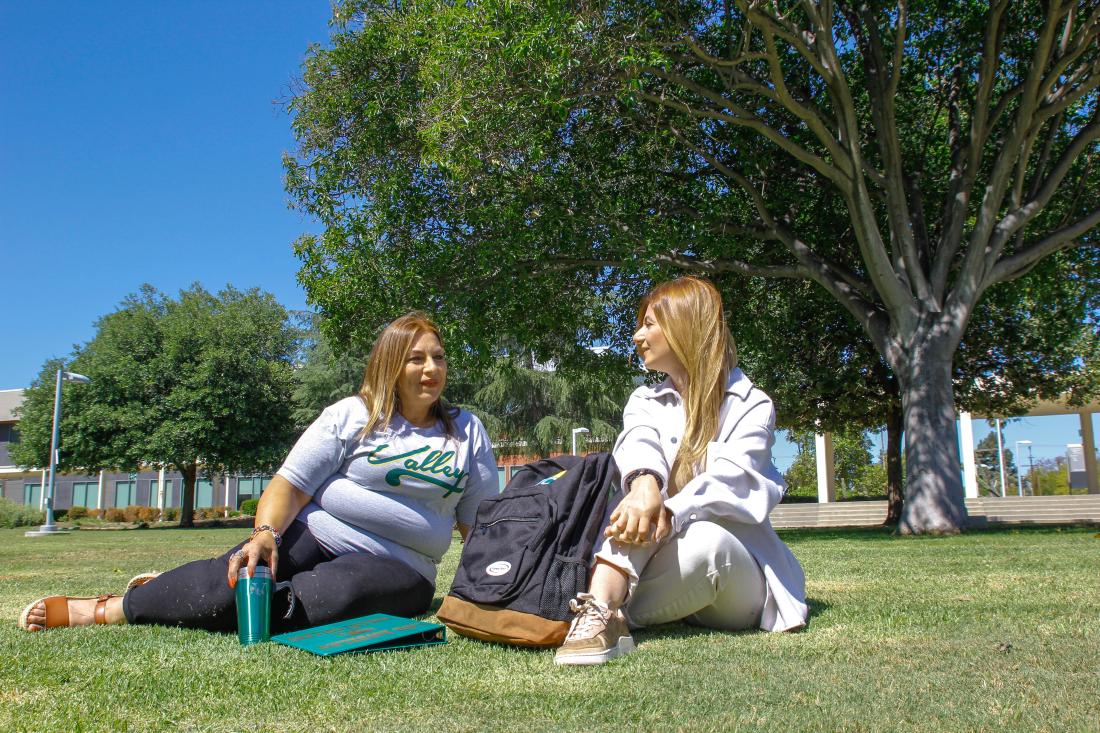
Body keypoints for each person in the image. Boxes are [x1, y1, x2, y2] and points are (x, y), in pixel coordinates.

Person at [20, 312, 499, 634]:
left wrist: (495, 587)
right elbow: (289, 487)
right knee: (235, 584)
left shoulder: (466, 430)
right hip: (315, 531)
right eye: (417, 358)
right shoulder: (351, 415)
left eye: (438, 356)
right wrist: (266, 531)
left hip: (401, 567)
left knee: (322, 600)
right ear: (391, 366)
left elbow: (479, 525)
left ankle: (169, 590)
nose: (431, 367)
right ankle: (108, 608)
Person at [554, 277, 807, 666]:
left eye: (650, 324)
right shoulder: (645, 400)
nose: (638, 335)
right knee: (635, 506)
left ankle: (605, 613)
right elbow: (638, 442)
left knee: (706, 542)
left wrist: (668, 511)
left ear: (685, 325)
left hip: (733, 578)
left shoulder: (750, 404)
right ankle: (601, 609)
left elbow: (732, 482)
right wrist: (644, 485)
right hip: (662, 565)